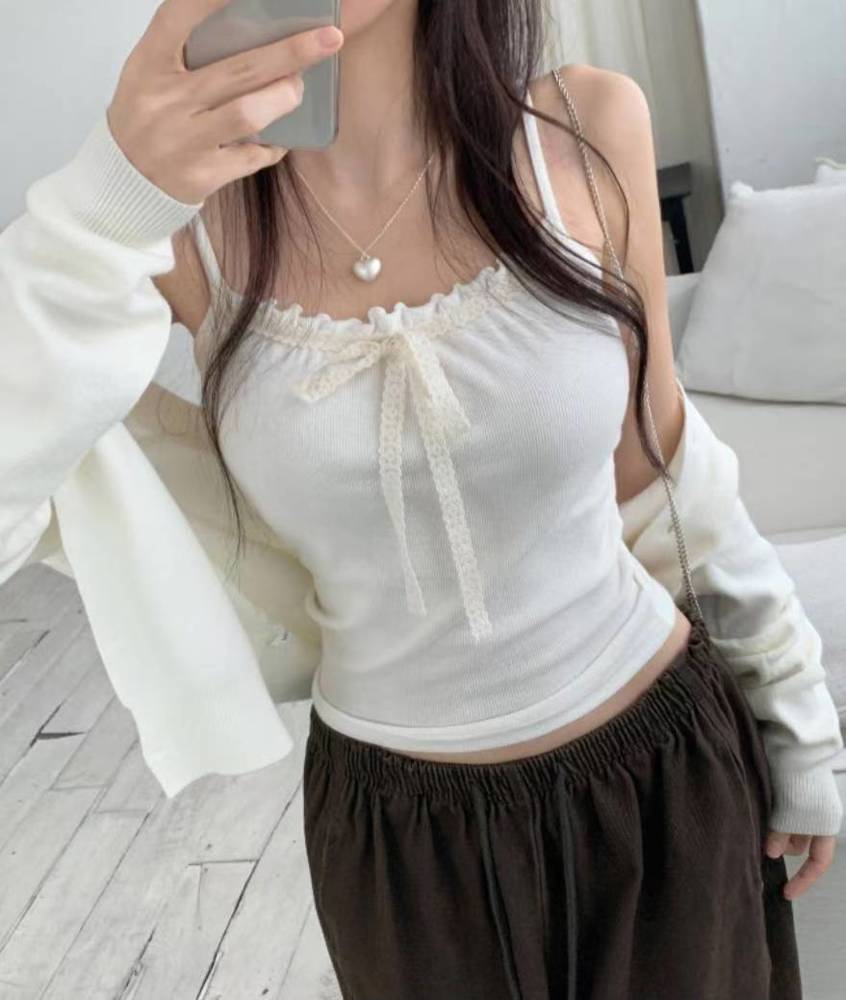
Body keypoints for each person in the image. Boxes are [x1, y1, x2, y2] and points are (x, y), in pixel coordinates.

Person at [1, 2, 842, 997]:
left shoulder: (586, 128)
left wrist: (794, 707)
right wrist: (107, 200)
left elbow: (660, 466)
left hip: (668, 780)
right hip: (403, 841)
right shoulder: (182, 230)